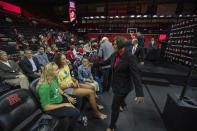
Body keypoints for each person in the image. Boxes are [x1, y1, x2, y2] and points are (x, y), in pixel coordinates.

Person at [91, 36, 144, 131]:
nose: (113, 46)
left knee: (114, 106)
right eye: (113, 44)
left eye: (115, 44)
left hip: (124, 87)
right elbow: (105, 62)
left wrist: (139, 93)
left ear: (121, 45)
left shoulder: (130, 57)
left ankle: (112, 126)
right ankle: (123, 104)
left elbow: (136, 75)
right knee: (119, 101)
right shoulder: (114, 54)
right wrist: (93, 64)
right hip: (115, 85)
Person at [53, 53, 107, 120]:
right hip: (67, 89)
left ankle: (95, 105)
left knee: (92, 88)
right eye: (63, 59)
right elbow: (59, 87)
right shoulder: (56, 71)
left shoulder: (65, 65)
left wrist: (75, 80)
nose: (66, 60)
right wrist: (71, 85)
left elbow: (69, 76)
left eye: (65, 58)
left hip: (72, 84)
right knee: (90, 92)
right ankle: (96, 113)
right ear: (59, 61)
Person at [36, 62, 81, 131]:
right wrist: (65, 104)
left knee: (78, 99)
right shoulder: (44, 87)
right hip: (52, 107)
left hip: (59, 99)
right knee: (76, 112)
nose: (59, 70)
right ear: (50, 72)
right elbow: (46, 107)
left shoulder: (54, 77)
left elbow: (58, 88)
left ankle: (72, 118)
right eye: (56, 69)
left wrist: (67, 96)